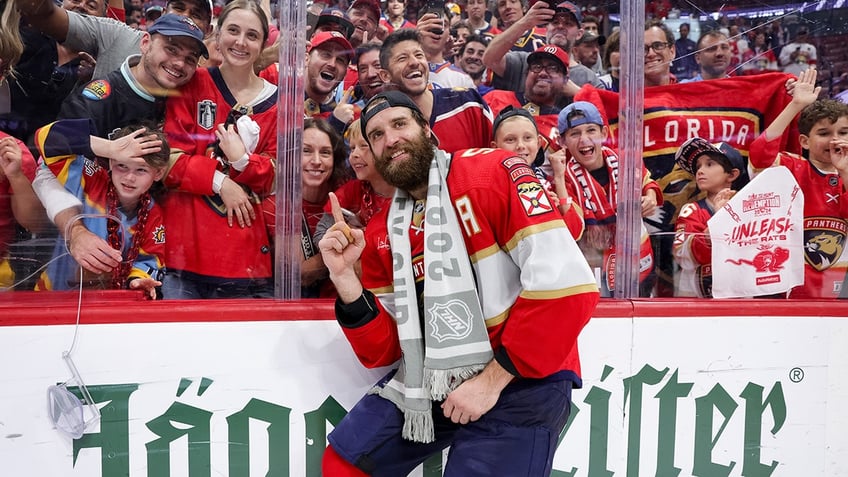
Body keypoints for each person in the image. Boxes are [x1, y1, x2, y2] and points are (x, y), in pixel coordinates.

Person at [318, 90, 599, 477]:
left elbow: (568, 287)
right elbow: (384, 349)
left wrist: (491, 381)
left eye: (400, 124)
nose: (390, 139)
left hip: (524, 376)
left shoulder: (494, 171)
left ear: (429, 132)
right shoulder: (384, 228)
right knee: (345, 464)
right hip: (438, 377)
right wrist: (345, 278)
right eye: (377, 135)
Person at [161, 0, 277, 299]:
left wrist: (241, 160)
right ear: (216, 32)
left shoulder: (279, 101)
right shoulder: (191, 81)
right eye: (233, 31)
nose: (240, 42)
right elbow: (167, 161)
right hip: (186, 256)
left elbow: (278, 178)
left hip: (247, 260)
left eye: (252, 35)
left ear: (264, 43)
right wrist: (221, 182)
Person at [33, 119, 168, 298]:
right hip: (50, 295)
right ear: (111, 162)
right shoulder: (90, 178)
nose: (129, 177)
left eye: (141, 170)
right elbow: (45, 137)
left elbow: (149, 259)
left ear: (158, 173)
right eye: (122, 165)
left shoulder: (153, 213)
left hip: (104, 304)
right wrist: (110, 148)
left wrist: (137, 281)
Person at [748, 68, 848, 299]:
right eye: (823, 133)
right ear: (804, 141)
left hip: (840, 288)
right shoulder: (792, 166)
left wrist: (843, 170)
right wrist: (795, 105)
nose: (834, 139)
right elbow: (760, 155)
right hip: (788, 286)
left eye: (843, 132)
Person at [558, 101, 661, 297]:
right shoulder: (562, 179)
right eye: (574, 134)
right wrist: (557, 178)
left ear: (604, 133)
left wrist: (650, 196)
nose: (584, 140)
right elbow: (572, 226)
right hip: (592, 268)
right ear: (563, 142)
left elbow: (648, 182)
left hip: (639, 263)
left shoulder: (627, 162)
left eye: (591, 131)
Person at [58, 13, 209, 137]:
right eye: (172, 49)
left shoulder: (185, 101)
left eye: (190, 58)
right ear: (145, 43)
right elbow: (56, 144)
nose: (180, 64)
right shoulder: (99, 97)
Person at [17, 0, 213, 81]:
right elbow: (42, 14)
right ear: (163, 13)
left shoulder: (207, 79)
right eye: (179, 8)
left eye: (196, 14)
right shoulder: (115, 34)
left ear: (209, 29)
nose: (185, 17)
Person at [377, 29, 493, 153]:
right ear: (385, 76)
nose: (414, 62)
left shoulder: (469, 102)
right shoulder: (384, 128)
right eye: (402, 58)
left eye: (419, 55)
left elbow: (501, 153)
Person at [491, 105, 584, 240]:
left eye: (527, 138)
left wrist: (558, 180)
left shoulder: (550, 182)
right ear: (495, 147)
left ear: (539, 143)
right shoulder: (491, 184)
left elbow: (574, 232)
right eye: (510, 140)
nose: (520, 145)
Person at [672, 138, 750, 298]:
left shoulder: (749, 211)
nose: (700, 171)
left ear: (732, 174)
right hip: (695, 305)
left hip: (742, 304)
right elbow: (683, 256)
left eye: (709, 164)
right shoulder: (691, 210)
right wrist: (720, 220)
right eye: (698, 166)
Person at [483, 1, 604, 97]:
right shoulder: (523, 61)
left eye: (568, 23)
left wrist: (578, 93)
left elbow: (607, 110)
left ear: (579, 33)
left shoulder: (589, 78)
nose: (560, 26)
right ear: (547, 28)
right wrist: (525, 22)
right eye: (555, 22)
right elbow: (489, 59)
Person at [300, 118, 351, 298]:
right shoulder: (276, 206)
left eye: (325, 152)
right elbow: (300, 274)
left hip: (343, 307)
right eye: (306, 151)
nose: (316, 161)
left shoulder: (350, 198)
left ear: (335, 158)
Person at [303, 30, 354, 132]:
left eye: (340, 60)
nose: (332, 64)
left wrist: (336, 123)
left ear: (345, 73)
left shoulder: (340, 116)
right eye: (326, 55)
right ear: (306, 59)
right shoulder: (277, 82)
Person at [416, 6, 475, 89]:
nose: (437, 29)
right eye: (430, 23)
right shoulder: (404, 70)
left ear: (449, 34)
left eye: (443, 24)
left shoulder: (462, 80)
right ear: (419, 28)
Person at [644, 19, 677, 87]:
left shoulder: (687, 94)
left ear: (672, 52)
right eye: (643, 48)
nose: (651, 54)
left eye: (658, 45)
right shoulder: (625, 97)